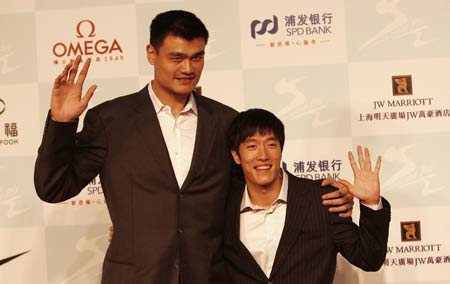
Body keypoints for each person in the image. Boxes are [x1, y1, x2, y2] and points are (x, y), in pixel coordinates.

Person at [34, 10, 353, 284]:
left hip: (210, 277)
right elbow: (53, 187)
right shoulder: (110, 119)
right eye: (176, 57)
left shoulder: (226, 121)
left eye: (196, 57)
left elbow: (257, 187)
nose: (188, 68)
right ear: (151, 54)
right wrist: (61, 124)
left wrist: (323, 201)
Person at [223, 109, 391, 284]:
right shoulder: (224, 207)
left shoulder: (323, 200)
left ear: (281, 150)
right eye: (252, 146)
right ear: (236, 156)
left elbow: (369, 259)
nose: (263, 155)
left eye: (271, 145)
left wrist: (371, 203)